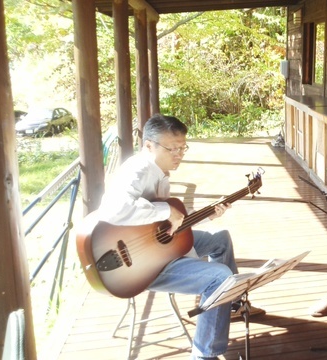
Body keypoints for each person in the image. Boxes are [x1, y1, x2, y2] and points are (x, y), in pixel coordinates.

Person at [97, 114, 262, 360]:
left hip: (157, 249)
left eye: (183, 147)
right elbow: (114, 210)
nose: (179, 154)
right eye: (172, 148)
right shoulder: (138, 169)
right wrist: (166, 210)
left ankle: (232, 303)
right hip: (142, 266)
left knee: (220, 237)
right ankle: (204, 355)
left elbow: (169, 223)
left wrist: (209, 215)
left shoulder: (159, 172)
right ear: (149, 146)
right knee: (219, 278)